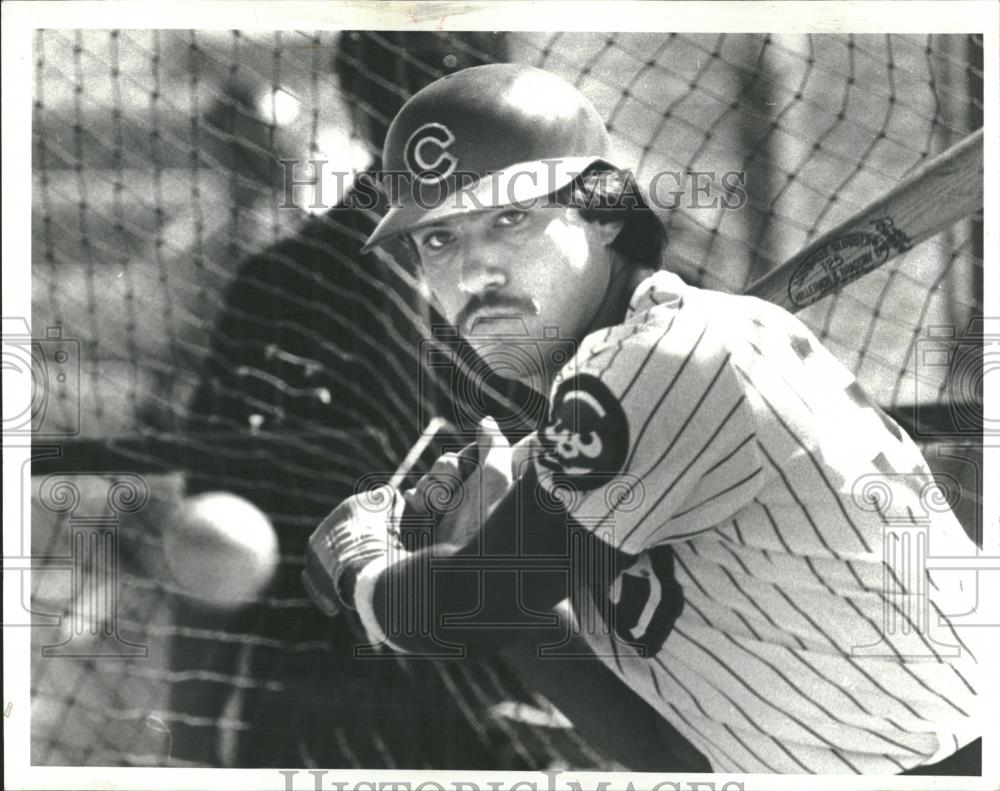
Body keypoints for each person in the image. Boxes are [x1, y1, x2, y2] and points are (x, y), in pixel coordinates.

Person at [303, 63, 984, 774]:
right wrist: (489, 558)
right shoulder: (620, 422)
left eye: (510, 218)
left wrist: (364, 565)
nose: (474, 271)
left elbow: (463, 611)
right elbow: (671, 752)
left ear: (601, 214)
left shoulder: (672, 355)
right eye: (438, 239)